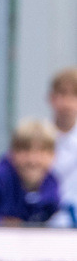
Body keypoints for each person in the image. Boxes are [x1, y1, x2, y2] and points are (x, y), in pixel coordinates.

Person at [47, 67, 77, 227]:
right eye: (62, 94)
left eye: (74, 95)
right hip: (42, 225)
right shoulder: (38, 140)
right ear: (51, 98)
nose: (67, 103)